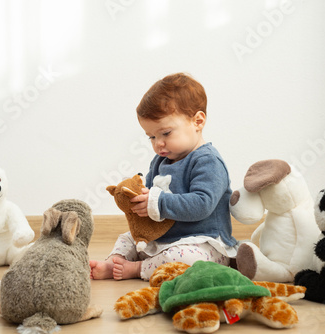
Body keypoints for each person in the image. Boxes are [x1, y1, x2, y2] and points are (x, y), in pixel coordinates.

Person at [90, 73, 238, 280]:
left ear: (198, 121)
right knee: (127, 238)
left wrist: (157, 202)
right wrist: (137, 199)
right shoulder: (160, 161)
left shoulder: (208, 161)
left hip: (203, 243)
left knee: (185, 258)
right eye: (152, 136)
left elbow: (202, 204)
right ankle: (114, 262)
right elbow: (149, 194)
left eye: (166, 133)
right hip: (162, 239)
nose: (158, 143)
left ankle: (137, 268)